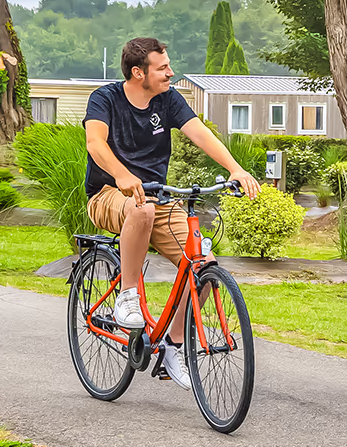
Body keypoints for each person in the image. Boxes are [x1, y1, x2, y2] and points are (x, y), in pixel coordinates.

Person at [83, 37, 260, 389]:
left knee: (204, 267)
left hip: (158, 197)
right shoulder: (105, 98)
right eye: (162, 68)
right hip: (108, 194)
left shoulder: (168, 99)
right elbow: (95, 143)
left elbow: (200, 134)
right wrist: (122, 175)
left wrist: (235, 168)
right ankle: (128, 297)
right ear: (138, 72)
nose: (171, 73)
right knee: (142, 210)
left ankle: (172, 345)